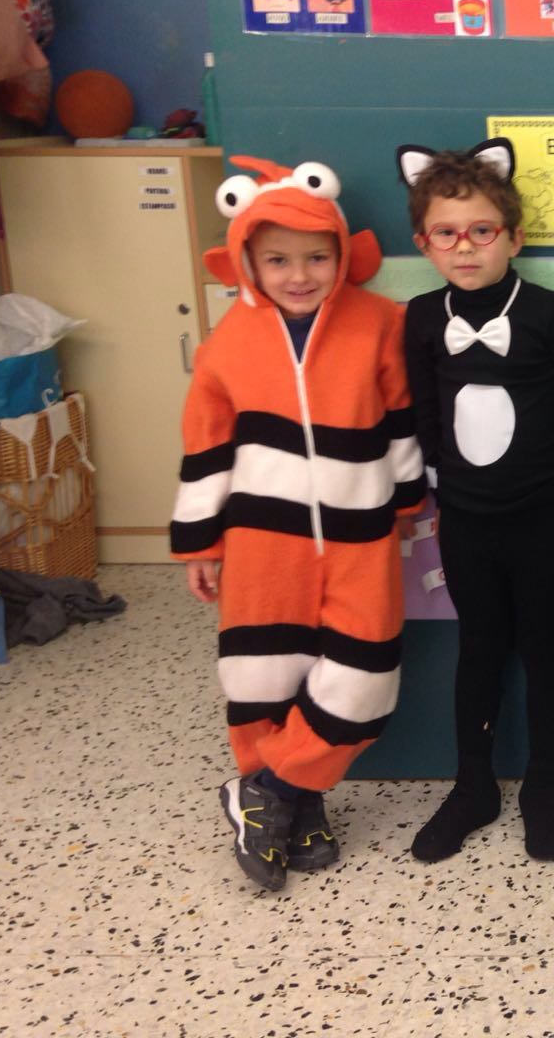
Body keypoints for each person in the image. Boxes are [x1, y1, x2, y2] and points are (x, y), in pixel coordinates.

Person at [173, 154, 426, 892]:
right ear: (248, 261)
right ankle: (298, 803)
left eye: (316, 257)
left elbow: (402, 422)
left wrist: (405, 504)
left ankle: (268, 790)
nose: (299, 275)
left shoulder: (378, 324)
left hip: (360, 535)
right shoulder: (227, 343)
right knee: (264, 675)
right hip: (260, 541)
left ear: (342, 254)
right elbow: (206, 447)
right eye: (278, 259)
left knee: (365, 677)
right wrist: (199, 540)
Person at [399, 138, 554, 864]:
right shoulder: (422, 317)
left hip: (541, 514)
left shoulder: (547, 312)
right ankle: (473, 784)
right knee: (478, 649)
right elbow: (423, 414)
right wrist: (439, 494)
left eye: (482, 230)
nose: (465, 246)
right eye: (447, 233)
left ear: (513, 238)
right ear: (424, 244)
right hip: (464, 519)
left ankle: (542, 783)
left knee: (544, 646)